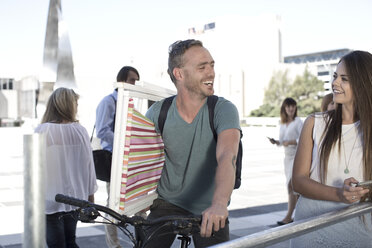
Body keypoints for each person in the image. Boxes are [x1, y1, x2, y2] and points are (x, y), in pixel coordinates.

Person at [145, 39, 241, 247]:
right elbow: (139, 158)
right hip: (167, 202)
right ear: (179, 74)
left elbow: (227, 156)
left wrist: (219, 204)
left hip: (210, 204)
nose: (211, 73)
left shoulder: (223, 109)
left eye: (212, 65)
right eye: (202, 67)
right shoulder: (157, 113)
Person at [291, 50, 372, 247]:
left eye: (344, 79)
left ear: (362, 84)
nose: (335, 83)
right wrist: (339, 194)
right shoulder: (314, 123)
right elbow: (298, 182)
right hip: (311, 225)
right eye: (335, 76)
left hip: (358, 226)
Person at [35, 87, 98, 248]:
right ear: (69, 105)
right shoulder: (80, 131)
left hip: (50, 199)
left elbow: (35, 169)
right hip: (75, 198)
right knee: (70, 241)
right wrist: (90, 197)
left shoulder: (42, 131)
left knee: (56, 244)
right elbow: (88, 166)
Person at [95, 66, 140, 248]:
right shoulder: (109, 102)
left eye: (136, 80)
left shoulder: (128, 102)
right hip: (114, 157)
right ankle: (114, 246)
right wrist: (123, 143)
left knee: (136, 201)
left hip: (127, 158)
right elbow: (103, 130)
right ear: (121, 80)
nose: (135, 84)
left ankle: (140, 241)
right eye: (132, 80)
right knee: (112, 204)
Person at [268, 97, 303, 225]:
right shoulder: (282, 124)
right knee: (292, 188)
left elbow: (303, 138)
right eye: (288, 106)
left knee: (292, 185)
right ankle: (299, 214)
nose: (291, 109)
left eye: (293, 106)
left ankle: (289, 216)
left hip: (297, 156)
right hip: (287, 158)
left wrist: (291, 142)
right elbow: (282, 141)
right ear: (284, 108)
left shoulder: (298, 121)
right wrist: (276, 142)